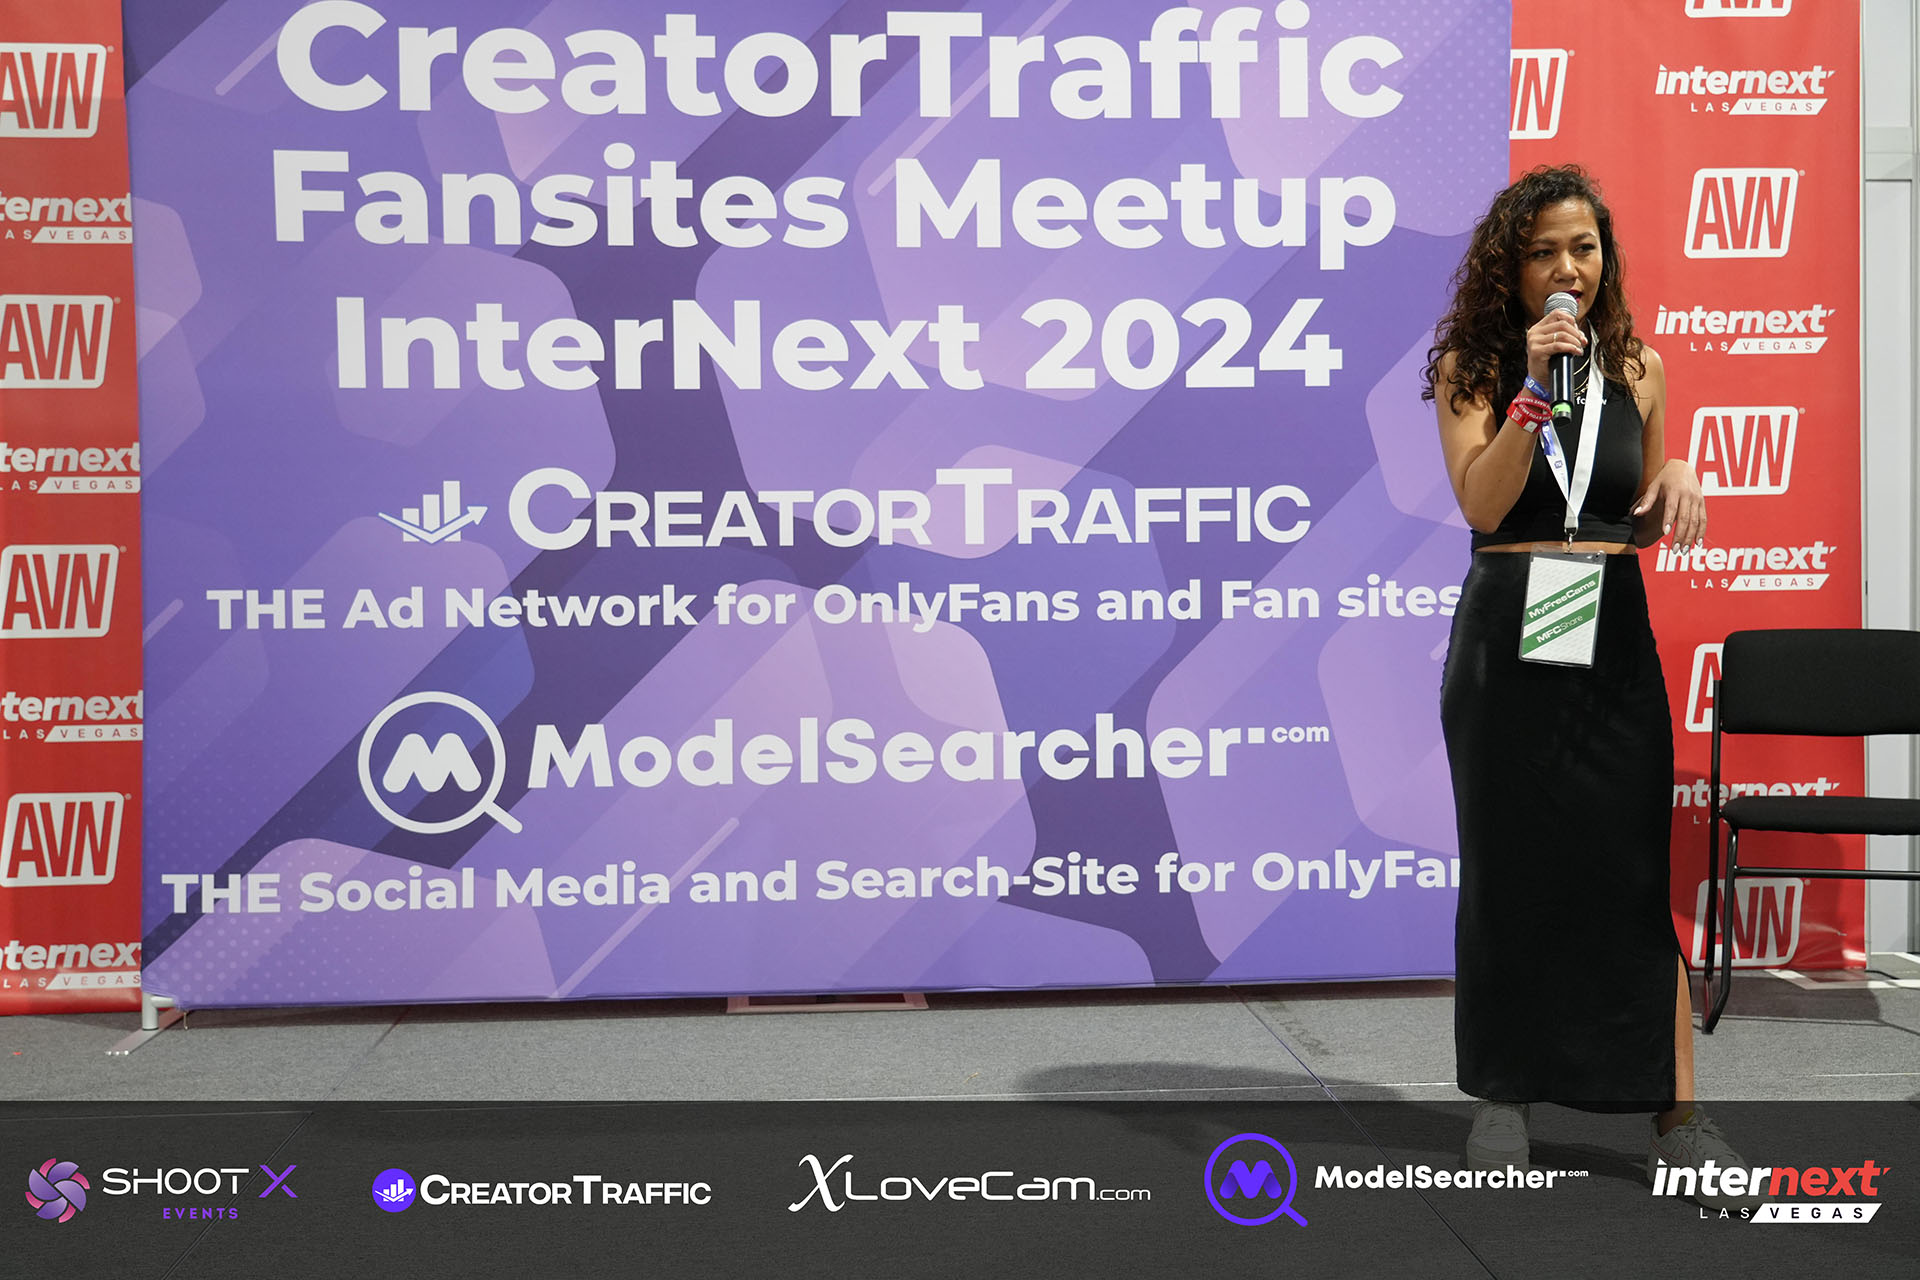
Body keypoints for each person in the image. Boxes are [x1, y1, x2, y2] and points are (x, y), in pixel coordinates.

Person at [1421, 165, 1753, 1210]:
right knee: (1511, 870)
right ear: (1510, 267)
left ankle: (1680, 1117)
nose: (1567, 268)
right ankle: (1504, 1097)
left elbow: (1633, 511)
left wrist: (1679, 474)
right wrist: (1529, 393)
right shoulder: (1473, 368)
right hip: (1508, 626)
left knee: (1631, 874)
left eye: (1584, 248)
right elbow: (1484, 502)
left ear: (1605, 258)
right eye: (1543, 252)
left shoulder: (1641, 368)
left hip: (1607, 625)